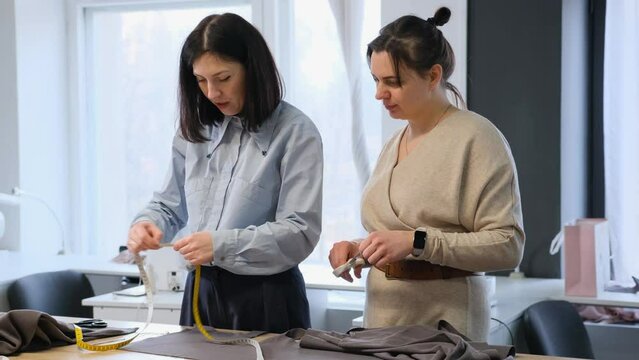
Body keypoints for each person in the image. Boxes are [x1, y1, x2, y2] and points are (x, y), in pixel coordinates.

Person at [328, 7, 524, 341]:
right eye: (376, 81)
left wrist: (418, 242)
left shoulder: (477, 138)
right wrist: (362, 248)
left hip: (446, 325)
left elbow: (507, 246)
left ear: (433, 76)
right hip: (382, 318)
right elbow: (397, 232)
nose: (379, 94)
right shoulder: (394, 142)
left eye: (393, 82)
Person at [127, 13, 323, 333]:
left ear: (253, 70)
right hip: (199, 293)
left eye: (223, 78)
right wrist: (146, 223)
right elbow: (168, 204)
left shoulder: (297, 133)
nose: (211, 92)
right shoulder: (194, 131)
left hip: (266, 296)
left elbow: (299, 232)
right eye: (200, 80)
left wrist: (222, 245)